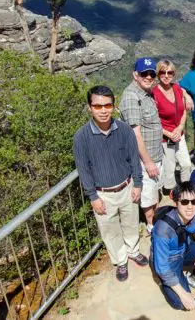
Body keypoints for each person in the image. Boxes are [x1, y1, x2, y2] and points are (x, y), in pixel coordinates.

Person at [73, 85, 148, 282]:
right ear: (90, 107)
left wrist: (138, 184)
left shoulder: (124, 130)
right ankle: (121, 261)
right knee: (111, 231)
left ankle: (133, 251)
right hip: (103, 193)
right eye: (98, 106)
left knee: (131, 224)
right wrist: (93, 197)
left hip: (127, 186)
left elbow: (133, 158)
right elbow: (83, 169)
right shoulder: (81, 137)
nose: (103, 110)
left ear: (113, 106)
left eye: (107, 105)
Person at [151, 181, 195, 311]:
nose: (190, 207)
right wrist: (183, 294)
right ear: (176, 203)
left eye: (194, 202)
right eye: (184, 202)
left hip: (185, 247)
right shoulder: (162, 230)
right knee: (180, 303)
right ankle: (166, 283)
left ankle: (193, 278)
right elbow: (162, 267)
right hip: (169, 260)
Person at [119, 57, 164, 235]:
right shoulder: (131, 97)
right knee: (147, 196)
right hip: (146, 160)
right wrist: (148, 162)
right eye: (144, 74)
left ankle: (155, 221)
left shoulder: (145, 93)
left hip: (155, 154)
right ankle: (152, 226)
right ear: (135, 75)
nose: (148, 77)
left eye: (151, 74)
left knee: (154, 191)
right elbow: (135, 134)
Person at [152, 60, 194, 187]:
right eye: (162, 72)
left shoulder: (177, 88)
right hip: (165, 137)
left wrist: (180, 127)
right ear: (158, 74)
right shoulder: (154, 93)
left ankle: (185, 188)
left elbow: (183, 111)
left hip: (178, 134)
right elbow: (153, 120)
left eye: (169, 72)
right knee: (169, 168)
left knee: (186, 163)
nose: (166, 75)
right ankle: (170, 192)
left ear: (173, 74)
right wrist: (168, 133)